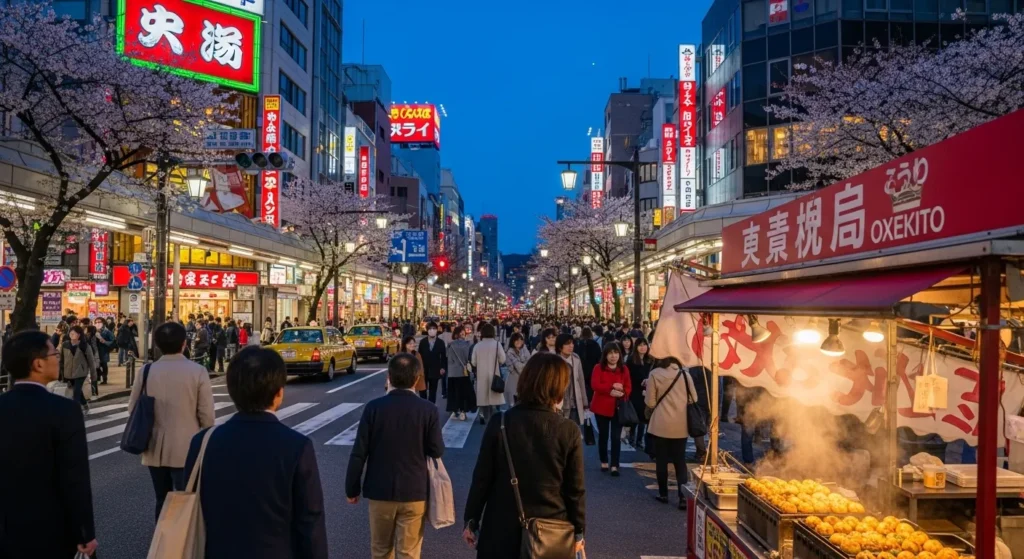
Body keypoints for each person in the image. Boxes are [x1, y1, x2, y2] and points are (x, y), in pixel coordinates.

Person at [184, 347, 328, 558]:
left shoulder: (203, 442)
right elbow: (310, 521)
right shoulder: (297, 446)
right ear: (279, 392)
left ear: (232, 390)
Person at [462, 353, 585, 558]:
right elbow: (575, 489)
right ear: (558, 388)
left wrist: (471, 520)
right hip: (551, 528)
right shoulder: (568, 430)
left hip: (500, 525)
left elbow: (482, 478)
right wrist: (579, 531)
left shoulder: (500, 423)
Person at [0, 330, 98, 558]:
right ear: (38, 364)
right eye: (53, 355)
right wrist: (84, 532)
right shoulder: (64, 410)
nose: (58, 359)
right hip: (51, 527)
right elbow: (75, 478)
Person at [346, 353, 443, 559]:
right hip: (414, 491)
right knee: (408, 553)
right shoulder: (428, 410)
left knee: (381, 550)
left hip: (380, 490)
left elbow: (359, 452)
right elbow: (437, 450)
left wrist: (352, 487)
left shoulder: (374, 408)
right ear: (417, 379)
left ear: (389, 377)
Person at [129, 322, 216, 520]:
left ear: (158, 345)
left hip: (154, 446)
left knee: (161, 498)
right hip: (187, 446)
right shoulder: (197, 371)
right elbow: (207, 416)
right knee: (186, 498)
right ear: (184, 343)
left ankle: (162, 542)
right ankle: (183, 544)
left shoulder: (146, 371)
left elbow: (132, 407)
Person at [645, 356, 699, 509]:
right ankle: (682, 497)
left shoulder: (655, 374)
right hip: (680, 424)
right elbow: (693, 398)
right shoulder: (684, 374)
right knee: (680, 461)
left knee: (661, 460)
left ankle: (663, 494)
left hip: (660, 424)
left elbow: (650, 402)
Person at [590, 342, 631, 476]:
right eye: (610, 353)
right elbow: (595, 385)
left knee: (615, 437)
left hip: (617, 407)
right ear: (605, 355)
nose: (613, 356)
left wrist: (622, 392)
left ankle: (614, 464)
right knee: (603, 435)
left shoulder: (624, 369)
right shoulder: (598, 368)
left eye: (616, 353)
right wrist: (611, 388)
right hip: (601, 406)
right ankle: (604, 461)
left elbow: (628, 387)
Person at [470, 323, 506, 425]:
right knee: (493, 396)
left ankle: (482, 414)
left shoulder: (478, 345)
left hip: (481, 375)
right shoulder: (497, 344)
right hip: (494, 374)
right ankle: (493, 416)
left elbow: (473, 362)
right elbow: (503, 359)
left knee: (482, 396)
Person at [626, 338, 655, 450]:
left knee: (644, 417)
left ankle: (639, 440)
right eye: (640, 345)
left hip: (647, 391)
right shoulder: (631, 360)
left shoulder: (650, 360)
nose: (643, 347)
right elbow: (629, 377)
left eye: (644, 345)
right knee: (635, 416)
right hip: (635, 392)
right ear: (636, 347)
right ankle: (632, 437)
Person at [556, 333, 589, 428]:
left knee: (573, 431)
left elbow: (581, 381)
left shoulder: (576, 359)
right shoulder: (555, 361)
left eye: (572, 343)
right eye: (567, 344)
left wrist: (585, 402)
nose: (571, 346)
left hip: (575, 402)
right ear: (560, 347)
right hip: (560, 404)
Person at [62, 325, 96, 413]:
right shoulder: (65, 345)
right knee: (77, 390)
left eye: (75, 333)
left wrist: (93, 376)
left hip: (81, 372)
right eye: (71, 332)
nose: (72, 334)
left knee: (76, 392)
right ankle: (85, 405)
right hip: (69, 372)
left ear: (79, 335)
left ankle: (74, 412)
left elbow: (91, 362)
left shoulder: (84, 346)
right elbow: (61, 360)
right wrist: (61, 373)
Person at [446, 328, 475, 420]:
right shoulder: (468, 345)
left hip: (453, 372)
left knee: (453, 393)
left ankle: (455, 410)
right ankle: (463, 411)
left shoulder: (450, 345)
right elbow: (470, 358)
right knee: (464, 393)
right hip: (464, 372)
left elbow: (448, 358)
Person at [417, 322, 447, 403]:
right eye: (430, 329)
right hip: (423, 370)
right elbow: (419, 356)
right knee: (422, 389)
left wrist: (443, 367)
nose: (432, 330)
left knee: (433, 391)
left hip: (435, 369)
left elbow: (444, 357)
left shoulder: (440, 342)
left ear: (437, 330)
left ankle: (431, 406)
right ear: (427, 330)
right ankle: (423, 405)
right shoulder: (423, 342)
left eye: (434, 329)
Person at [574, 327, 602, 400]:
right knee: (591, 386)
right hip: (593, 368)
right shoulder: (595, 344)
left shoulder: (579, 343)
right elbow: (599, 357)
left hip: (581, 368)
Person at [504, 333, 530, 404]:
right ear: (513, 341)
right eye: (516, 340)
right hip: (513, 381)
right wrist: (524, 363)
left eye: (520, 340)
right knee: (513, 403)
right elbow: (519, 367)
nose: (519, 342)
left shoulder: (524, 349)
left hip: (525, 380)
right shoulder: (509, 352)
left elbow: (529, 362)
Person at [95, 318, 115, 385]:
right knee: (96, 365)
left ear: (103, 322)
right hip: (96, 351)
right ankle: (98, 377)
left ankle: (104, 379)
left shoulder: (107, 331)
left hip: (104, 351)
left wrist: (104, 342)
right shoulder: (94, 331)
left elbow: (113, 342)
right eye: (96, 322)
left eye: (99, 322)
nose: (98, 323)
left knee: (104, 365)